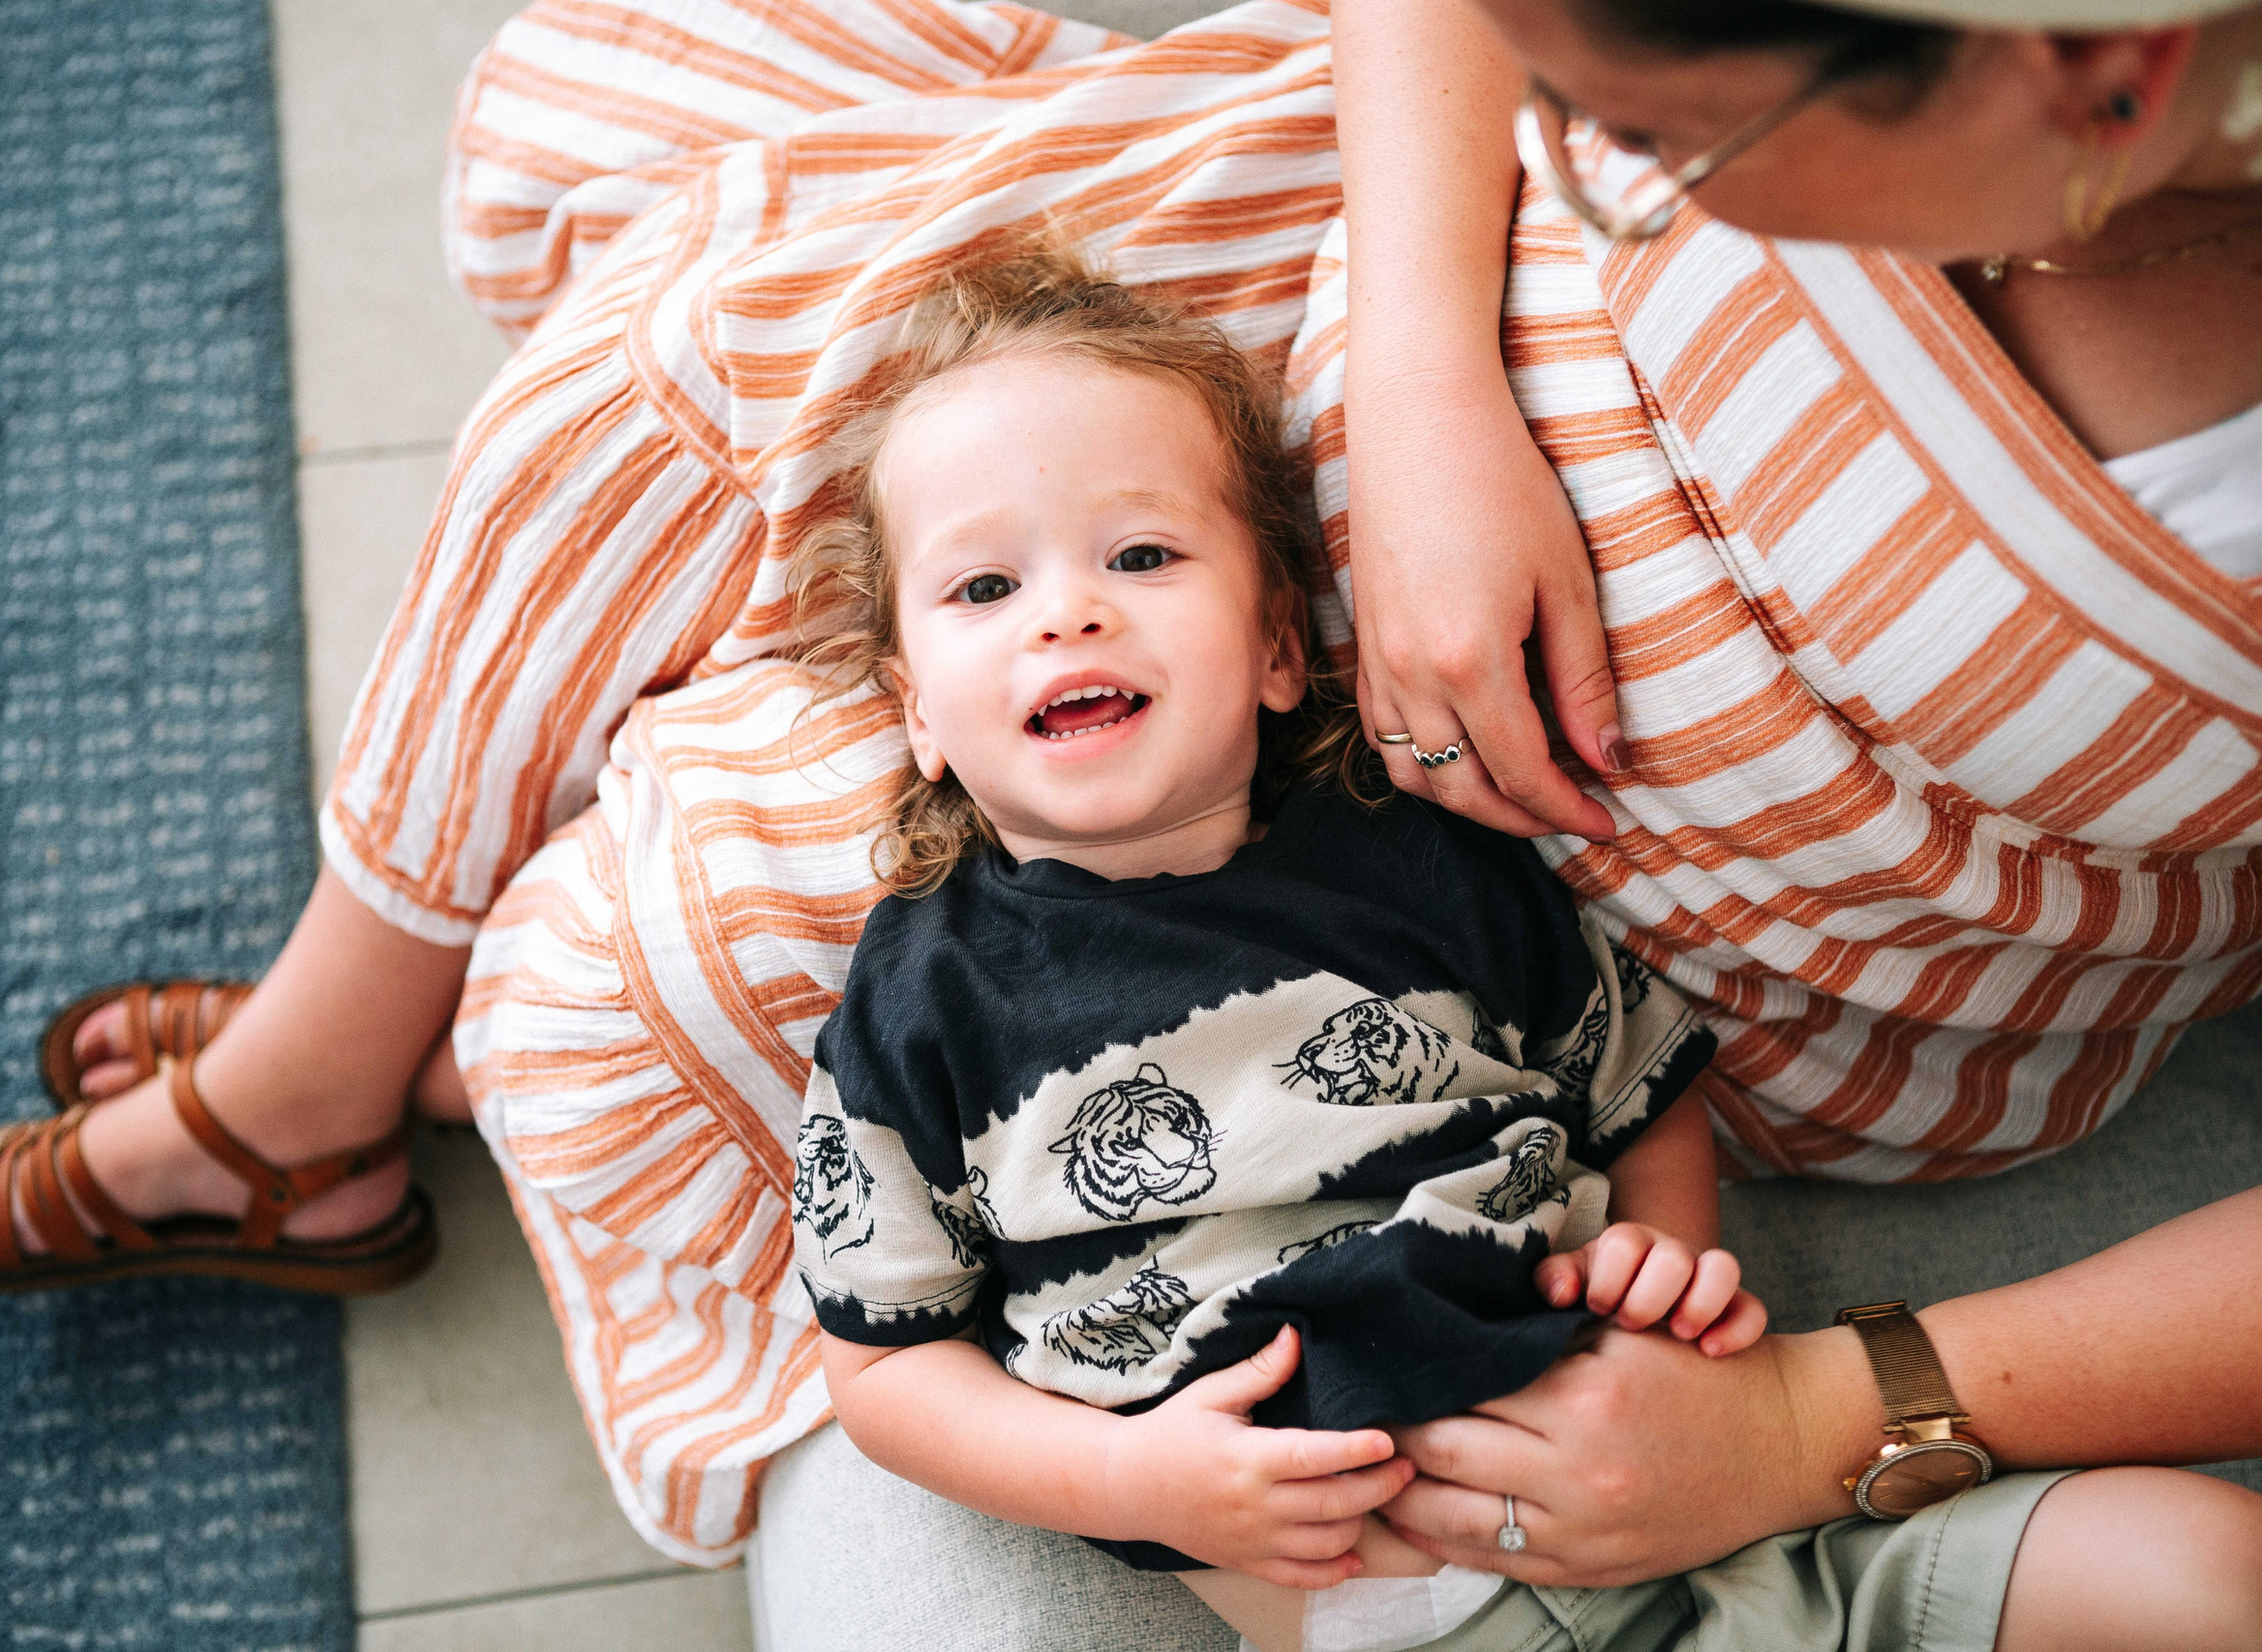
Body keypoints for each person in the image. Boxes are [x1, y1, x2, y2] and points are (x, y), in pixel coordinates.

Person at [0, 0, 2262, 1639]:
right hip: (1354, 373)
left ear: (2110, 80)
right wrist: (1425, 386)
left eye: (1667, 138)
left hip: (1519, 835)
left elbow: (1635, 1078)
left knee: (631, 869)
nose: (1609, 168)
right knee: (640, 154)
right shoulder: (1602, 149)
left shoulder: (1098, 927)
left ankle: (331, 1089)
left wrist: (1835, 1402)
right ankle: (327, 1082)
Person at [778, 244, 2255, 1652]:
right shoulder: (915, 1006)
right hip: (1395, 1619)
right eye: (986, 589)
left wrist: (1656, 1275)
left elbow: (1643, 1091)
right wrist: (1125, 1481)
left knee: (2195, 1567)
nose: (1070, 611)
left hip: (1731, 1525)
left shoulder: (1425, 864)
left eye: (1143, 553)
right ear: (917, 708)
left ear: (1284, 645)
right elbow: (888, 1366)